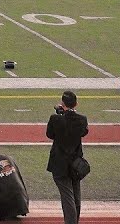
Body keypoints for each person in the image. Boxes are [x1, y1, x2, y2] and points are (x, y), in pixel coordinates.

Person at [46, 90, 88, 224]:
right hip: (76, 163)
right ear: (76, 104)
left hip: (59, 164)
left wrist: (61, 114)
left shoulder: (55, 119)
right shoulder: (82, 119)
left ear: (62, 104)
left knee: (67, 197)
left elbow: (50, 134)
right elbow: (84, 132)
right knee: (76, 196)